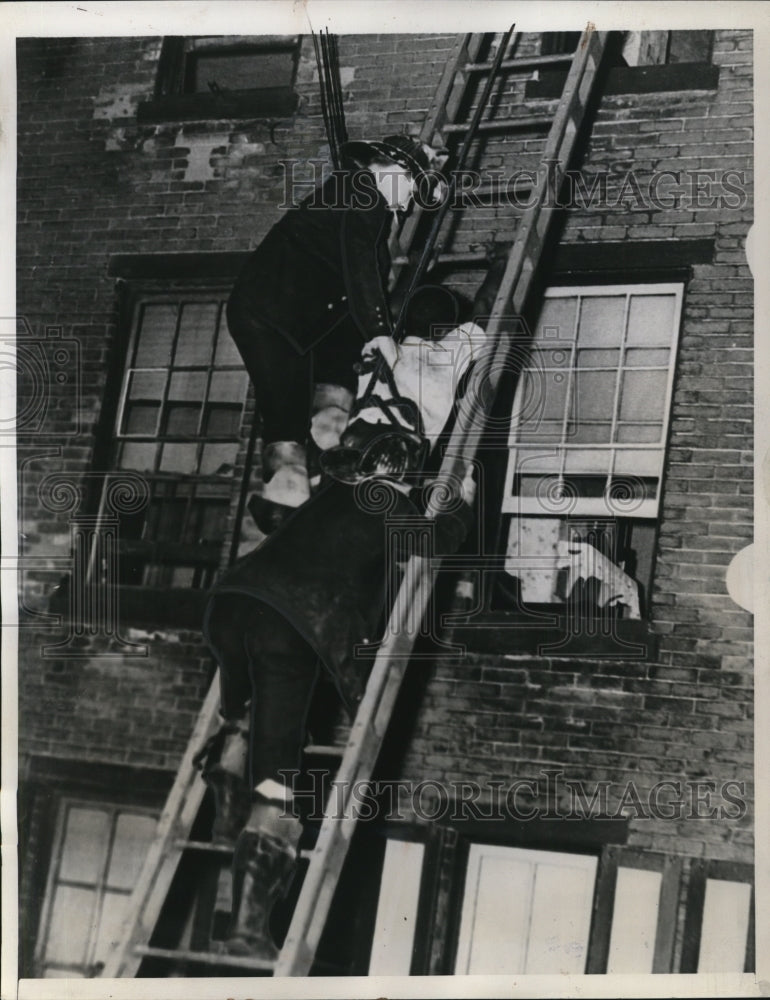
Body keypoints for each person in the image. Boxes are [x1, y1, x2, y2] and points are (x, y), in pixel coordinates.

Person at [196, 252, 507, 959]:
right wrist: (458, 502)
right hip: (288, 623)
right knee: (285, 776)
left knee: (249, 713)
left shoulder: (376, 371)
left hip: (232, 602)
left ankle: (226, 771)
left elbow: (375, 311)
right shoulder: (394, 496)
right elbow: (490, 317)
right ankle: (244, 922)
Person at [226, 133, 447, 532]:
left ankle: (326, 454)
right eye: (414, 186)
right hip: (271, 318)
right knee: (287, 421)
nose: (413, 200)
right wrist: (380, 333)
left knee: (339, 387)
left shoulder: (361, 201)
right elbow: (361, 268)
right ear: (395, 172)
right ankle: (286, 505)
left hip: (308, 320)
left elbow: (363, 273)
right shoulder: (363, 193)